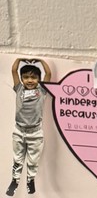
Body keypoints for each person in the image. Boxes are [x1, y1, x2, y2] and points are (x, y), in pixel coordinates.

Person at [7, 58, 51, 196]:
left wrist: (40, 60)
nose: (30, 80)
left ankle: (30, 180)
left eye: (33, 77)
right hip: (19, 131)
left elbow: (48, 73)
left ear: (38, 79)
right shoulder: (19, 88)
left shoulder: (41, 90)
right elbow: (13, 70)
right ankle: (14, 181)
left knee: (33, 161)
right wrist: (19, 59)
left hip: (35, 133)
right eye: (26, 77)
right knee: (17, 160)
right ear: (21, 79)